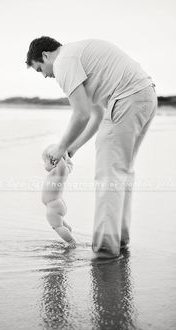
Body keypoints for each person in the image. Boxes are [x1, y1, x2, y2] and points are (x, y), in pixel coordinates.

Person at [26, 36, 157, 259]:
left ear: (46, 56)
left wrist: (59, 148)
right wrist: (71, 149)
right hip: (144, 96)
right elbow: (96, 116)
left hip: (126, 98)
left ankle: (106, 247)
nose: (46, 75)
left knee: (109, 175)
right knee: (121, 173)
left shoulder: (64, 61)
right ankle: (120, 239)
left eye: (40, 69)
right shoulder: (79, 57)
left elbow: (81, 114)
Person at [41, 144, 76, 248]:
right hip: (57, 204)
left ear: (54, 161)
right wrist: (66, 157)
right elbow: (69, 164)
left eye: (45, 162)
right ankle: (67, 229)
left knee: (56, 226)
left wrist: (58, 154)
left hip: (53, 205)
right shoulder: (63, 171)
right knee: (59, 224)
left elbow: (61, 162)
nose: (44, 165)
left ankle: (71, 242)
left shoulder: (58, 172)